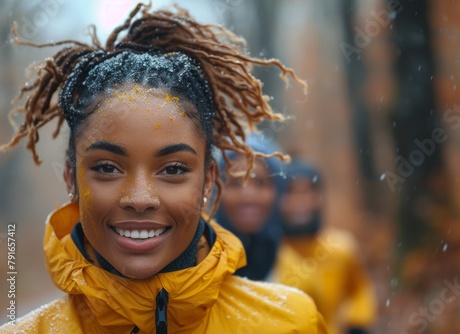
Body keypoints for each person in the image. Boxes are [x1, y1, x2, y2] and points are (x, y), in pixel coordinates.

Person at [0, 4, 329, 333]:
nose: (140, 198)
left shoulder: (290, 323)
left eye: (172, 169)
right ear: (71, 177)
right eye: (107, 167)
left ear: (208, 181)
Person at [272, 159, 377, 334]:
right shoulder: (270, 252)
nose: (300, 201)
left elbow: (360, 290)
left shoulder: (341, 248)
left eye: (307, 192)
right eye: (290, 192)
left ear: (320, 197)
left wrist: (358, 321)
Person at [215, 134, 285, 281]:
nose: (248, 197)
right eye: (234, 183)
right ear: (215, 190)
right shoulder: (197, 265)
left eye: (260, 183)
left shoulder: (293, 265)